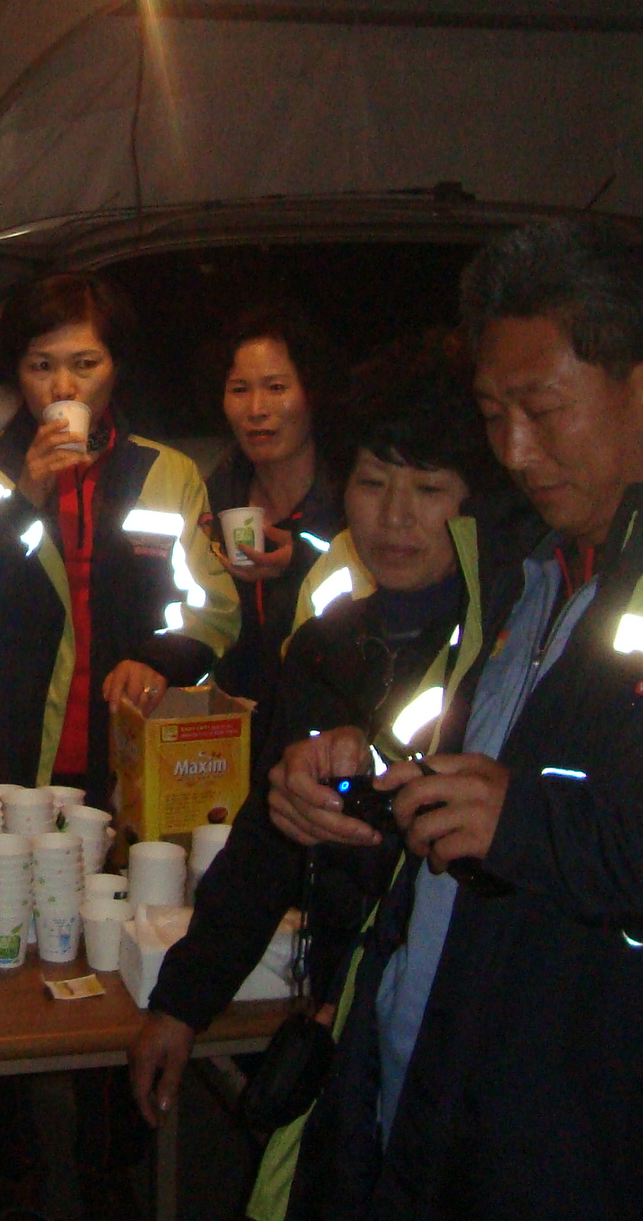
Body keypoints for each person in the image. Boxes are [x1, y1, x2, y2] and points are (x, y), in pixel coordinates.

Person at [252, 219, 643, 1220]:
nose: (514, 451)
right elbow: (464, 778)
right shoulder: (523, 578)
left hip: (589, 1160)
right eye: (493, 414)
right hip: (416, 1110)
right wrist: (350, 779)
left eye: (541, 410)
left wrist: (541, 829)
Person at [128, 337, 523, 1159]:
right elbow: (268, 840)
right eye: (373, 484)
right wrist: (181, 1002)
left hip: (475, 1021)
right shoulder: (326, 646)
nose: (395, 516)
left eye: (429, 490)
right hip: (348, 1000)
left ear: (477, 503)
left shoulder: (510, 652)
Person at [0, 271, 240, 1218]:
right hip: (4, 757)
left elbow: (213, 609)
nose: (63, 386)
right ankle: (8, 1172)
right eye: (41, 364)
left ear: (115, 370)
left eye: (84, 364)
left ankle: (111, 1165)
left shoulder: (165, 474)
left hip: (123, 768)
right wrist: (24, 497)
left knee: (121, 962)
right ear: (14, 374)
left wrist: (162, 658)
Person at [202, 307, 344, 720]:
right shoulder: (212, 499)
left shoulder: (349, 501)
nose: (256, 409)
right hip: (226, 734)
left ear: (312, 393)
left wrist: (304, 562)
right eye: (239, 389)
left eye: (276, 387)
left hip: (324, 732)